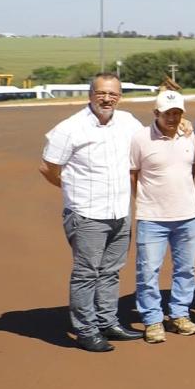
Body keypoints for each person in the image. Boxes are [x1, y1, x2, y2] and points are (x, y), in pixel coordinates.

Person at [39, 72, 147, 352]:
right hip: (87, 214)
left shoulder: (127, 122)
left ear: (120, 97)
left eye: (113, 94)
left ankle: (107, 321)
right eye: (101, 93)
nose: (107, 99)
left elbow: (151, 139)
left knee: (111, 271)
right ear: (90, 95)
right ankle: (86, 330)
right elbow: (49, 168)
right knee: (86, 273)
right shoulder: (70, 128)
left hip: (120, 212)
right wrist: (71, 189)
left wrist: (180, 125)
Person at [130, 88, 195, 343]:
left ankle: (180, 314)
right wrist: (143, 202)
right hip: (152, 217)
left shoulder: (189, 135)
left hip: (188, 215)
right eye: (166, 113)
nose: (172, 118)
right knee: (148, 271)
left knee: (186, 269)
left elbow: (191, 168)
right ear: (155, 113)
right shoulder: (140, 138)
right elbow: (133, 173)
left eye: (177, 113)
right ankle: (152, 320)